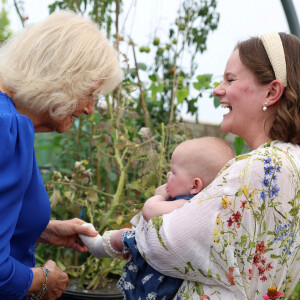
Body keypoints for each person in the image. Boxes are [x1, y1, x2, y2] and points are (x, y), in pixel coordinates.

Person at [125, 32, 300, 300]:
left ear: (271, 91)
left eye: (230, 80)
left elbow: (166, 243)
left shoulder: (256, 168)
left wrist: (129, 232)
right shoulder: (293, 162)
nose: (217, 90)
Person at [0, 10, 123, 300]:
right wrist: (41, 281)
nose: (91, 109)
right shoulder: (8, 128)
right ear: (64, 78)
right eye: (91, 94)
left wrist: (45, 230)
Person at [79, 137, 235, 299]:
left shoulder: (186, 203)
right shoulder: (205, 207)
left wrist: (158, 196)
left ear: (195, 186)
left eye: (174, 172)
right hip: (168, 267)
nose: (168, 174)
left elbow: (150, 211)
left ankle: (98, 246)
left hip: (161, 273)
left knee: (123, 237)